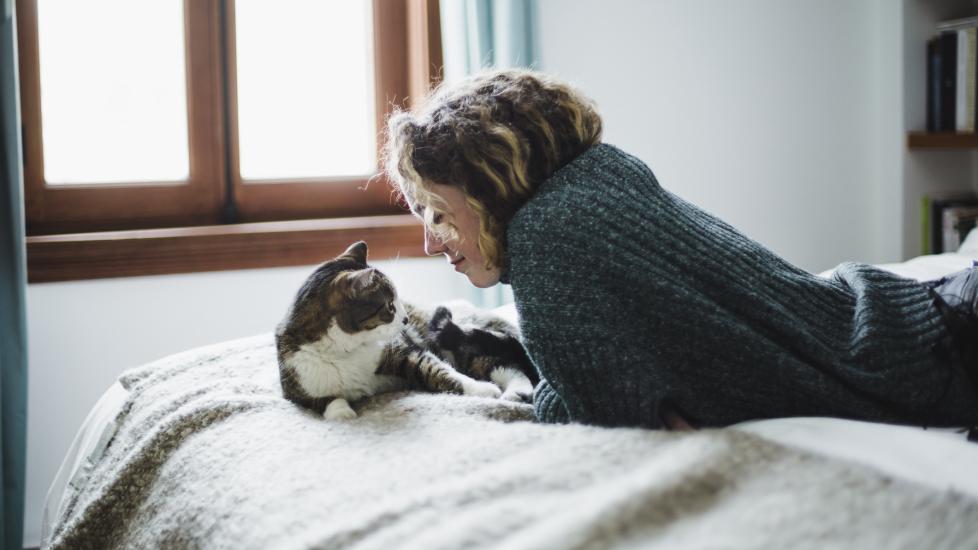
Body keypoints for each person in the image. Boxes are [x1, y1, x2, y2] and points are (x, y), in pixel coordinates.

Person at [383, 69, 978, 430]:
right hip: (915, 314)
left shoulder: (544, 242)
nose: (432, 242)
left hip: (939, 352)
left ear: (489, 187)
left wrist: (544, 393)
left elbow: (607, 423)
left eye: (439, 214)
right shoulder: (597, 176)